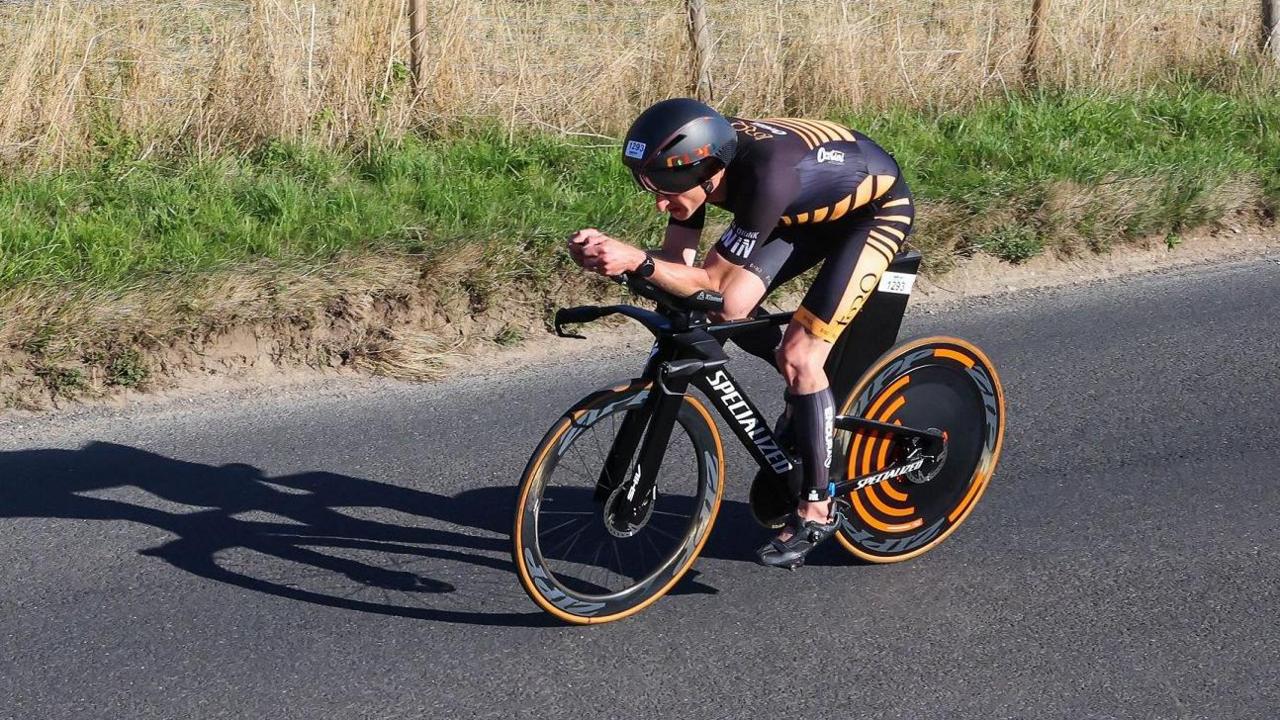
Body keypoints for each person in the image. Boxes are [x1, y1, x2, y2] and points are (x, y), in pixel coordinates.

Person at [567, 98, 915, 569]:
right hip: (801, 209)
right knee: (725, 310)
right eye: (650, 185)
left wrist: (637, 260)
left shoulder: (762, 176)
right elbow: (681, 269)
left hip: (870, 212)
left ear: (709, 173)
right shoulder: (695, 162)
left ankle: (817, 506)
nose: (659, 200)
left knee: (799, 355)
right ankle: (811, 397)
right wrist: (617, 260)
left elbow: (704, 278)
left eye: (667, 188)